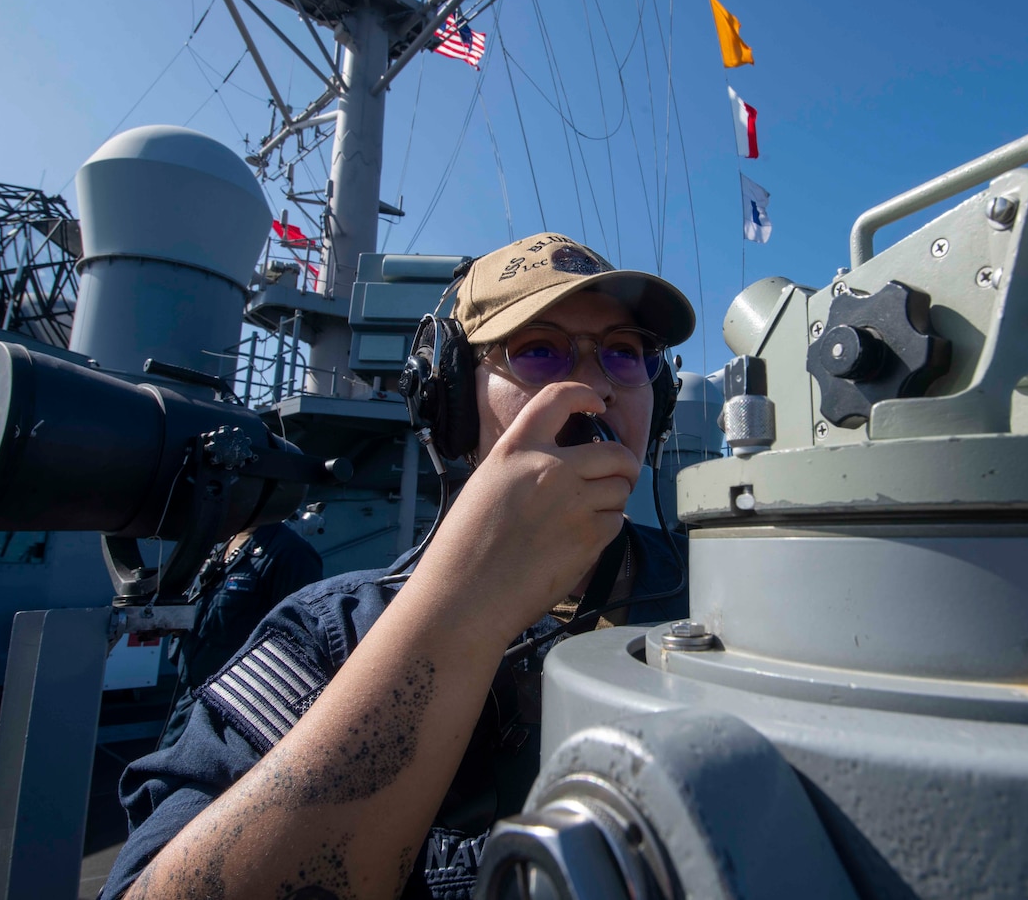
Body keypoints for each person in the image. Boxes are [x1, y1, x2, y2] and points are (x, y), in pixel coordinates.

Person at [102, 233, 695, 900]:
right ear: (450, 400)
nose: (591, 388)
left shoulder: (726, 590)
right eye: (538, 351)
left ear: (660, 393)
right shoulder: (328, 636)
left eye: (624, 352)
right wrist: (465, 601)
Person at [157, 517, 325, 749]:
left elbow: (298, 640)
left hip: (239, 712)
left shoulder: (290, 554)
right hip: (192, 700)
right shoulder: (219, 545)